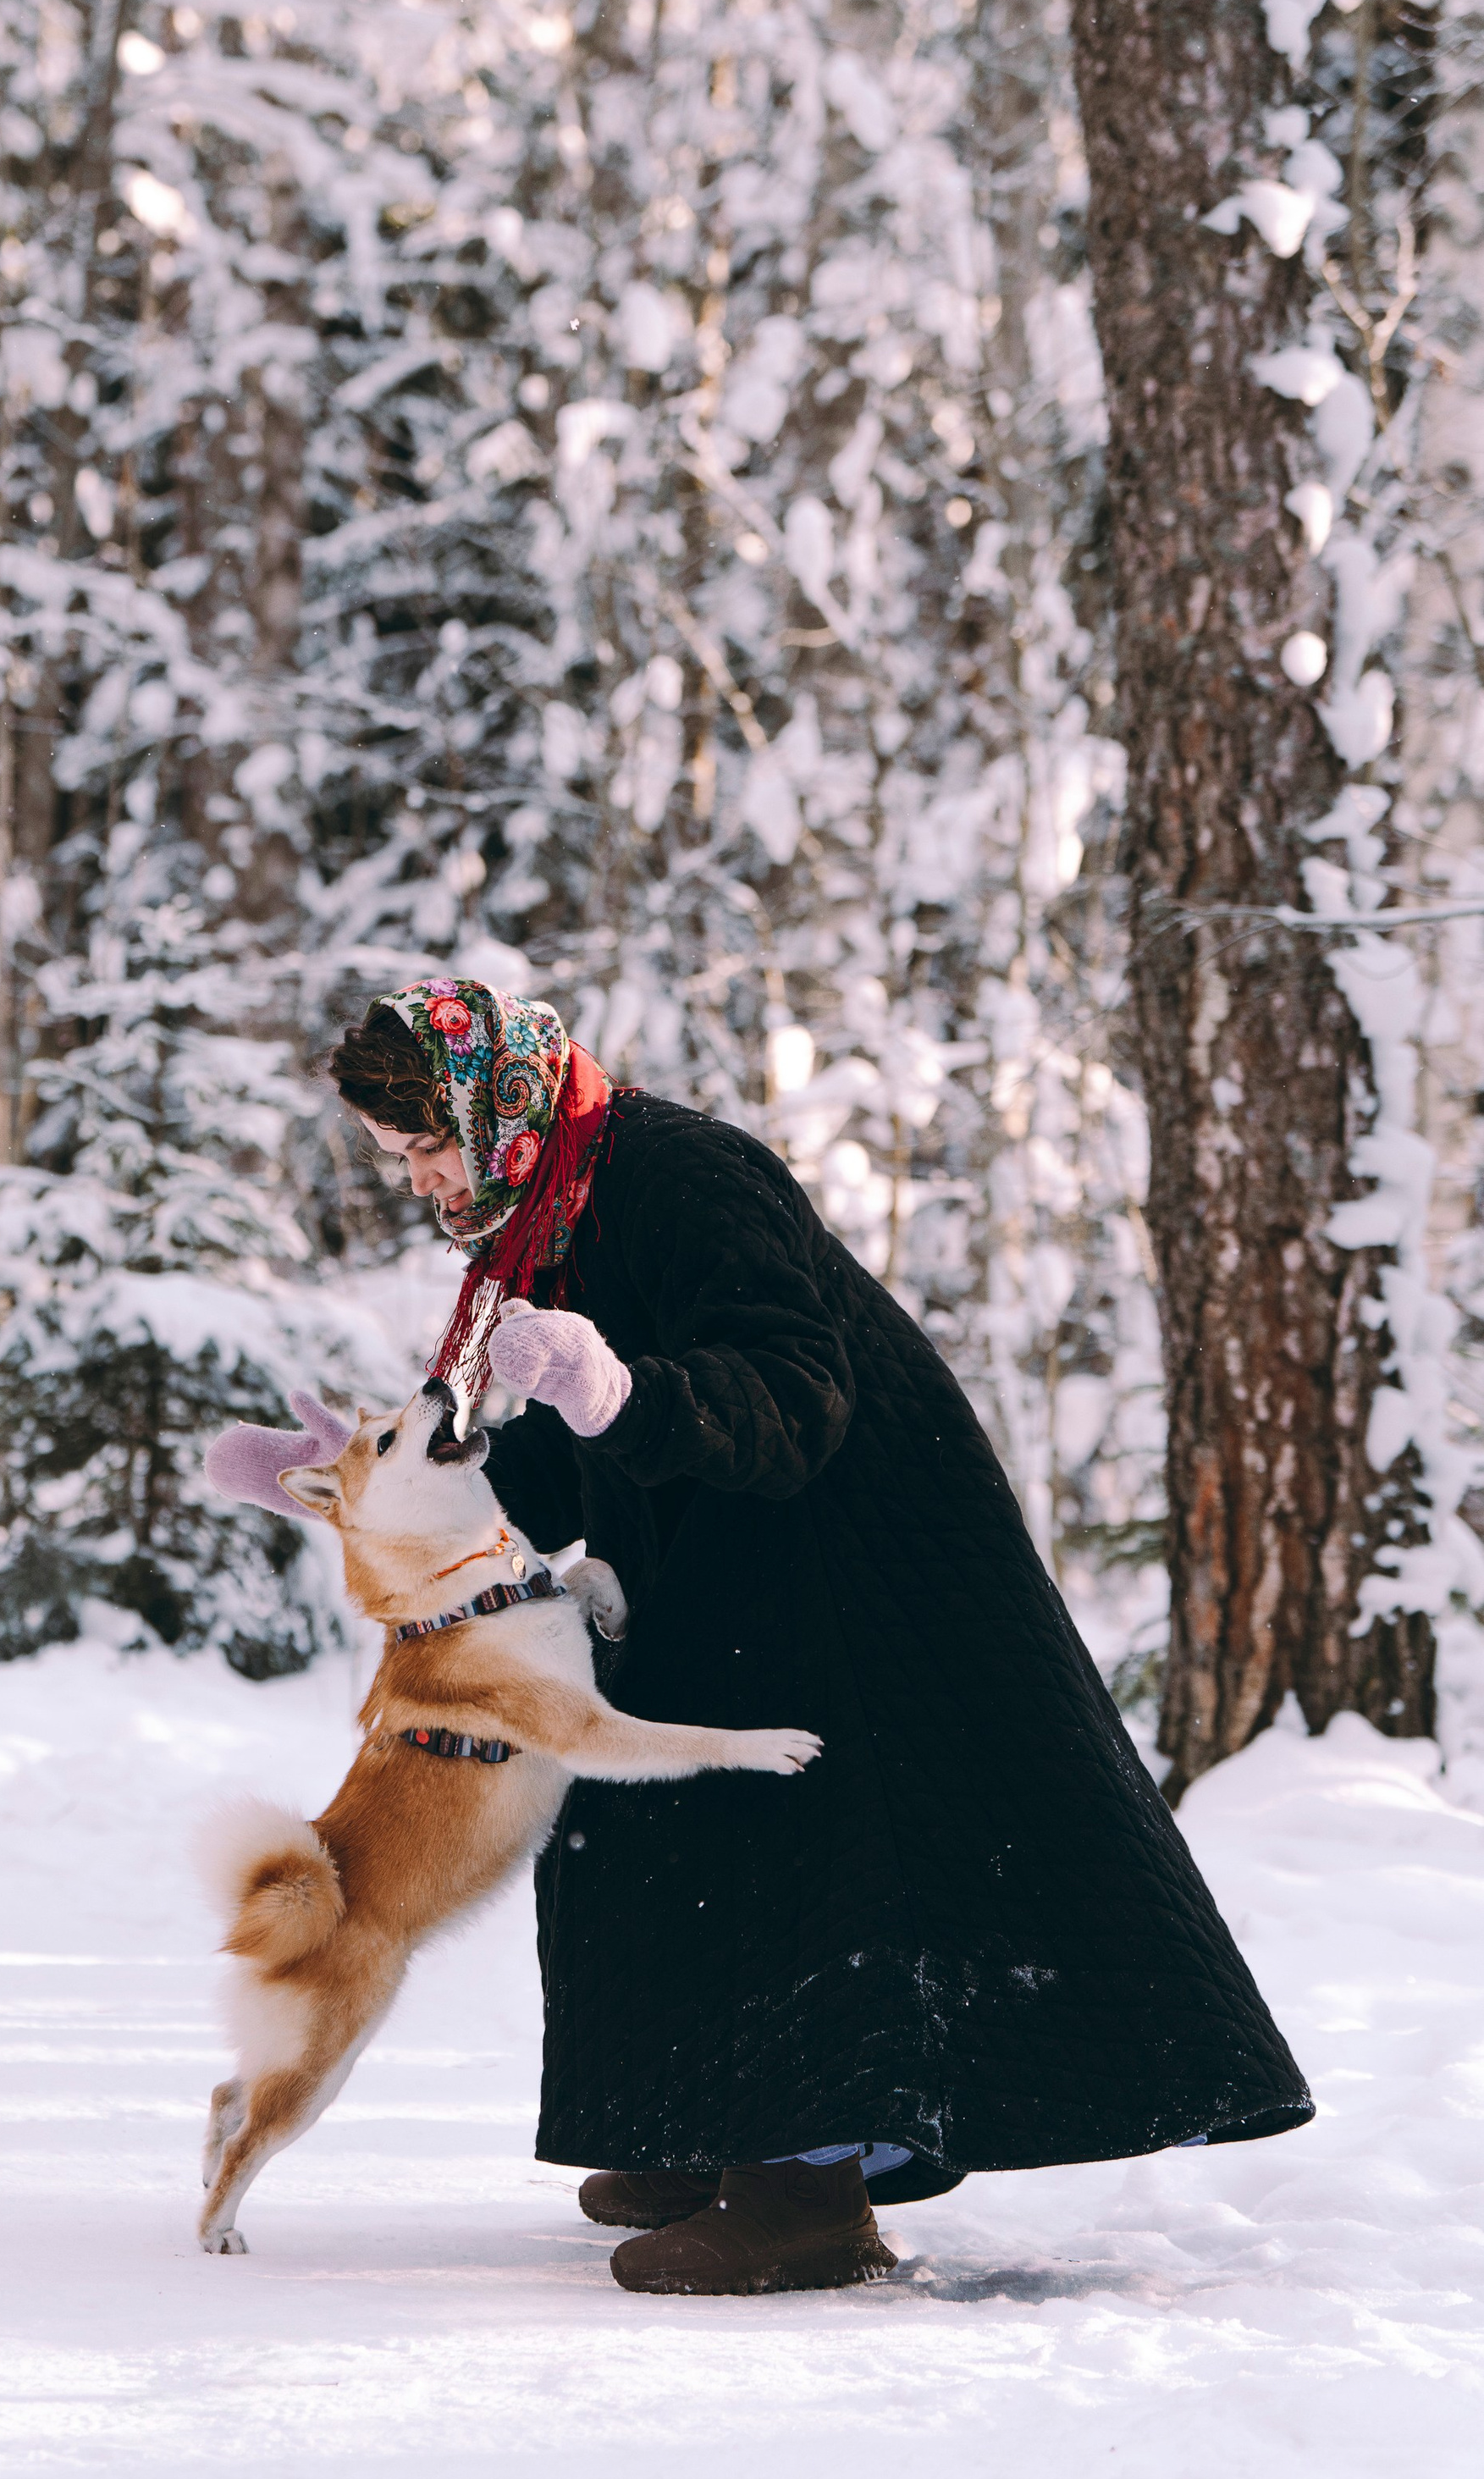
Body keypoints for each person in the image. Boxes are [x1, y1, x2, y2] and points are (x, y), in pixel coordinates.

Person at [209, 975, 1311, 2296]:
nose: (420, 1179)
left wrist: (624, 1389)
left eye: (424, 1146)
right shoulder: (531, 1215)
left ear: (485, 1101)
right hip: (709, 1539)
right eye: (402, 1159)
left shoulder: (683, 1173)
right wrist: (380, 1480)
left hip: (847, 1548)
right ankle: (696, 2126)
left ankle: (803, 2184)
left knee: (793, 1832)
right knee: (635, 1800)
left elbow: (795, 1385)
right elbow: (554, 1461)